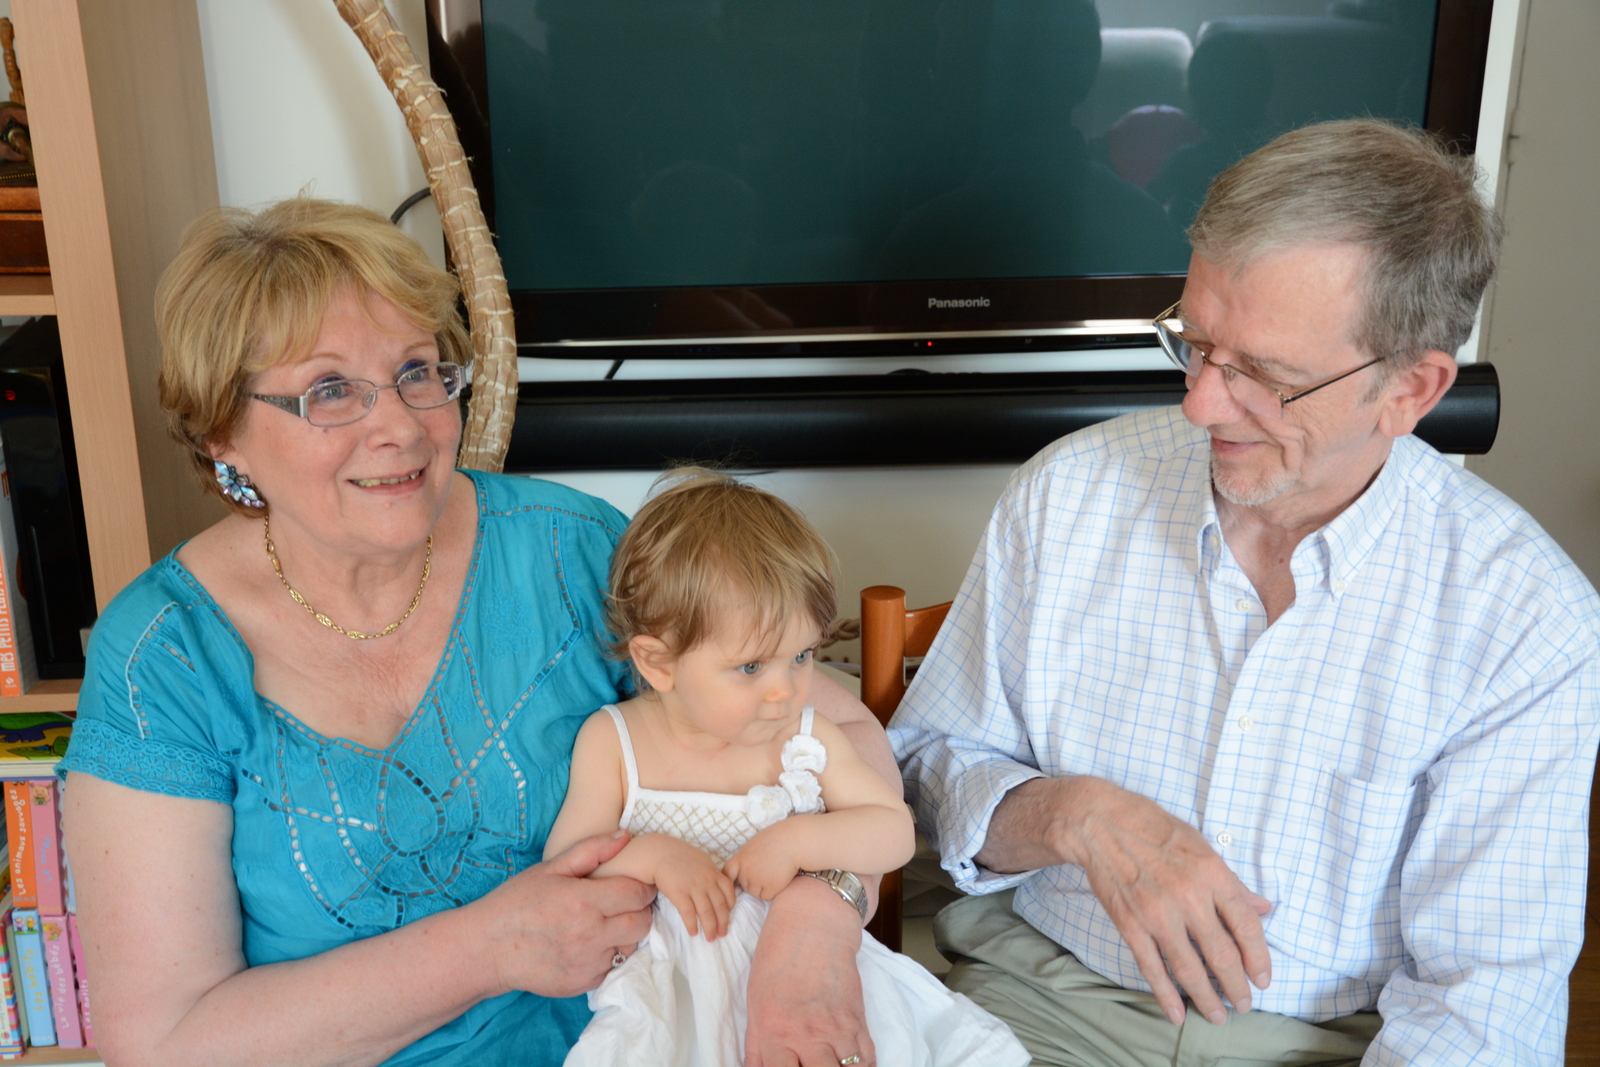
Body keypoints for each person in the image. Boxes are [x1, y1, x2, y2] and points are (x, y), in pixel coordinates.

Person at [57, 198, 903, 1067]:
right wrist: (487, 948)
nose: (400, 425)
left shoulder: (575, 551)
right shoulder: (164, 655)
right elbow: (163, 1042)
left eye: (418, 371)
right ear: (223, 433)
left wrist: (818, 923)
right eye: (331, 390)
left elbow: (832, 729)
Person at [892, 118, 1600, 1066]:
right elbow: (926, 766)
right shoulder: (1070, 491)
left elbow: (1486, 1000)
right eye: (1194, 342)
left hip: (1338, 1045)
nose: (1199, 403)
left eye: (1263, 374)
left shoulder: (1526, 616)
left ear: (1412, 390)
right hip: (1038, 1004)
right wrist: (1075, 814)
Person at [549, 471, 1029, 1067]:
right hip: (674, 1007)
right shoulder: (614, 741)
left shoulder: (805, 737)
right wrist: (654, 857)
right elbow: (565, 872)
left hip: (822, 982)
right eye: (751, 667)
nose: (786, 690)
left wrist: (799, 839)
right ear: (659, 663)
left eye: (801, 656)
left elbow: (894, 831)